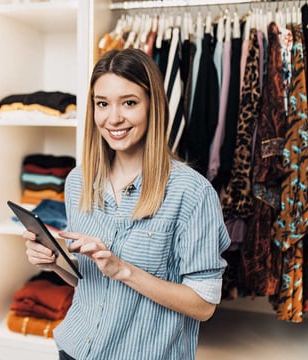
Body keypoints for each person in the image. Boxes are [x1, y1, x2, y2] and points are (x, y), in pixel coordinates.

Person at [23, 48, 231, 360]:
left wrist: (122, 269)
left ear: (152, 106)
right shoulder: (78, 181)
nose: (113, 118)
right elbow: (87, 280)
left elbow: (203, 305)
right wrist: (54, 262)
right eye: (102, 104)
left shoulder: (192, 193)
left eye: (129, 103)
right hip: (75, 348)